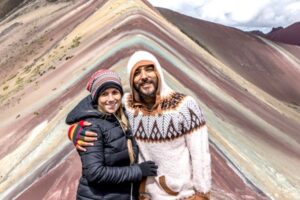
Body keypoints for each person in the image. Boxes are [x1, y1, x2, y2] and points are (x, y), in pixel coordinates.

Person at [68, 51, 211, 200]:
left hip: (180, 196)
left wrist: (202, 193)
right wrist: (75, 131)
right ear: (132, 80)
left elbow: (200, 154)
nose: (144, 76)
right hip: (142, 195)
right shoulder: (127, 106)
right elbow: (95, 105)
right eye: (137, 72)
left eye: (149, 69)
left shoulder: (184, 106)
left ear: (159, 73)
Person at [66, 69, 158, 200]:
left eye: (115, 92)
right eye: (104, 94)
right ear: (96, 97)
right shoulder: (91, 127)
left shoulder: (121, 116)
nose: (110, 99)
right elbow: (95, 173)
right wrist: (138, 171)